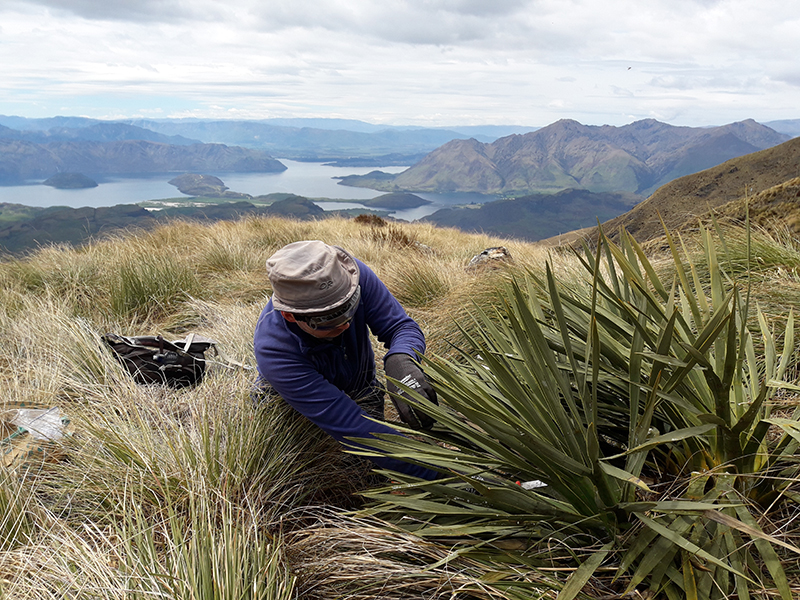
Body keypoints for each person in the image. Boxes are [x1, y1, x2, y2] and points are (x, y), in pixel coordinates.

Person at [253, 240, 440, 480]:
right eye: (329, 320)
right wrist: (449, 477)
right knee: (331, 476)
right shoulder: (275, 352)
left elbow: (400, 326)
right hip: (294, 411)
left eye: (350, 307)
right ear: (290, 316)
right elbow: (356, 429)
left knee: (375, 474)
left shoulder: (350, 275)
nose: (346, 323)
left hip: (361, 384)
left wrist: (401, 361)